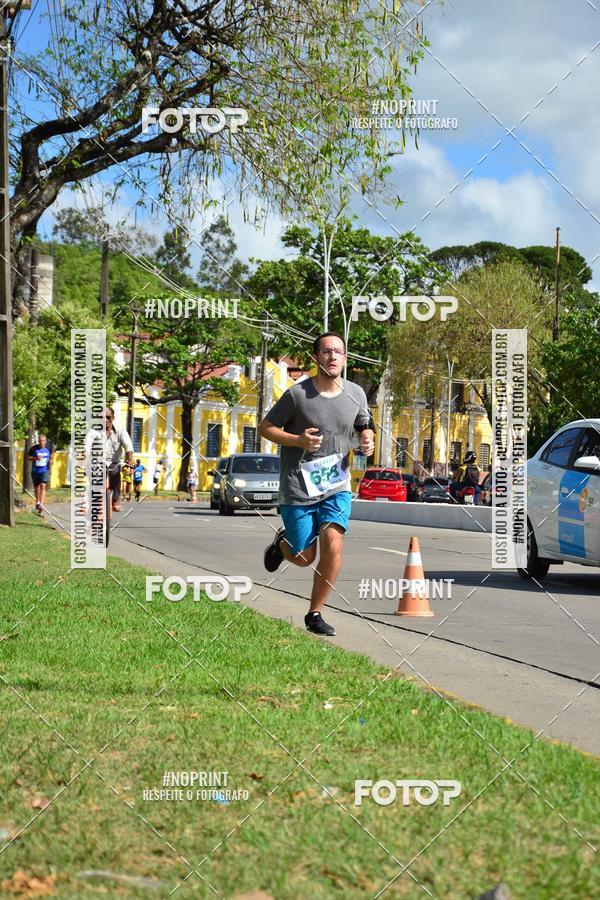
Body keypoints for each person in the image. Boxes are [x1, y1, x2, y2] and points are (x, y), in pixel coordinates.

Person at [260, 332, 375, 637]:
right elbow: (265, 427)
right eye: (326, 351)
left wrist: (367, 439)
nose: (333, 356)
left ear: (345, 358)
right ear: (315, 358)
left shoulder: (356, 394)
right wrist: (297, 440)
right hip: (298, 486)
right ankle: (283, 543)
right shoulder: (298, 395)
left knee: (334, 544)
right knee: (303, 557)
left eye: (338, 351)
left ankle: (315, 613)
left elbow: (364, 424)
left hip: (336, 485)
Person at [84, 407, 133, 513]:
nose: (105, 420)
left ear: (113, 418)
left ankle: (115, 499)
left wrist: (129, 459)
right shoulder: (93, 431)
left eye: (108, 417)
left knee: (115, 471)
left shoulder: (120, 431)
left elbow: (128, 447)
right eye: (103, 418)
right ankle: (92, 504)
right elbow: (86, 448)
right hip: (97, 463)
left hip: (113, 462)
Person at [28, 434, 54, 513]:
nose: (41, 442)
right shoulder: (33, 448)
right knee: (36, 488)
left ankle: (41, 504)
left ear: (45, 441)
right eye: (40, 441)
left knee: (43, 486)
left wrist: (51, 459)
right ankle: (37, 502)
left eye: (43, 441)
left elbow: (52, 453)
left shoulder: (48, 447)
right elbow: (28, 457)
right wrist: (35, 458)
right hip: (35, 471)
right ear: (38, 441)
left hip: (44, 470)